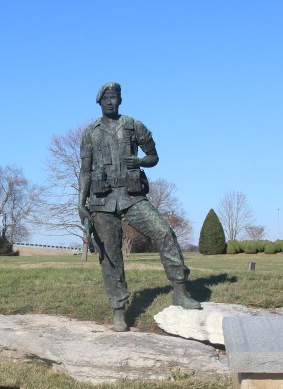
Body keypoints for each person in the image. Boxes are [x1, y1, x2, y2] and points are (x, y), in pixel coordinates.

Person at [78, 82, 201, 332]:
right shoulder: (90, 132)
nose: (111, 102)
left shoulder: (134, 126)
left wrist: (140, 160)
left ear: (120, 101)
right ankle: (118, 310)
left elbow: (154, 157)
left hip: (131, 197)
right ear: (99, 102)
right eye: (106, 98)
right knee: (110, 256)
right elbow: (85, 171)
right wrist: (81, 203)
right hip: (101, 201)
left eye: (115, 97)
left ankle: (179, 290)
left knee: (164, 232)